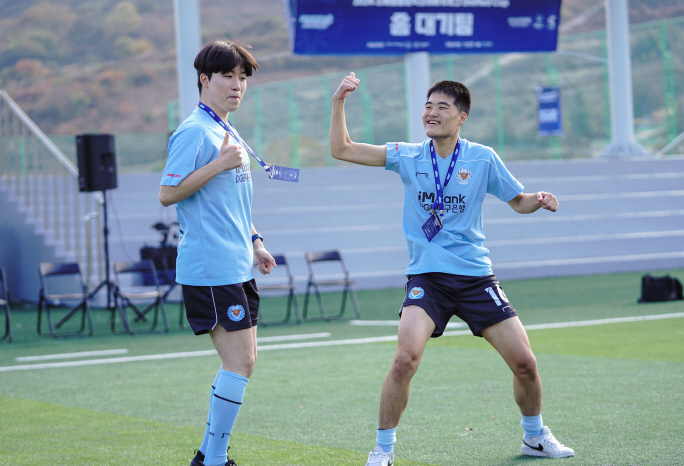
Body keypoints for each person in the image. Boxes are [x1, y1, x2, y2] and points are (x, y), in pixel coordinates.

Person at [329, 73, 575, 465]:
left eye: (442, 106)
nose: (432, 112)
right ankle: (382, 450)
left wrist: (539, 199)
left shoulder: (482, 158)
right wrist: (339, 100)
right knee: (404, 359)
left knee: (525, 364)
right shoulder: (407, 155)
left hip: (477, 277)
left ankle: (534, 437)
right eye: (428, 106)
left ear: (462, 117)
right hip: (427, 277)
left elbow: (518, 201)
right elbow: (341, 149)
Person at [159, 39, 276, 466]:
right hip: (210, 268)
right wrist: (216, 166)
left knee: (244, 362)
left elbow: (231, 204)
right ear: (204, 80)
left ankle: (209, 455)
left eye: (243, 78)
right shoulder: (194, 130)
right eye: (228, 75)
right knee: (240, 361)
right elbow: (167, 193)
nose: (237, 85)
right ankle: (213, 460)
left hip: (237, 262)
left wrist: (256, 242)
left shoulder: (225, 128)